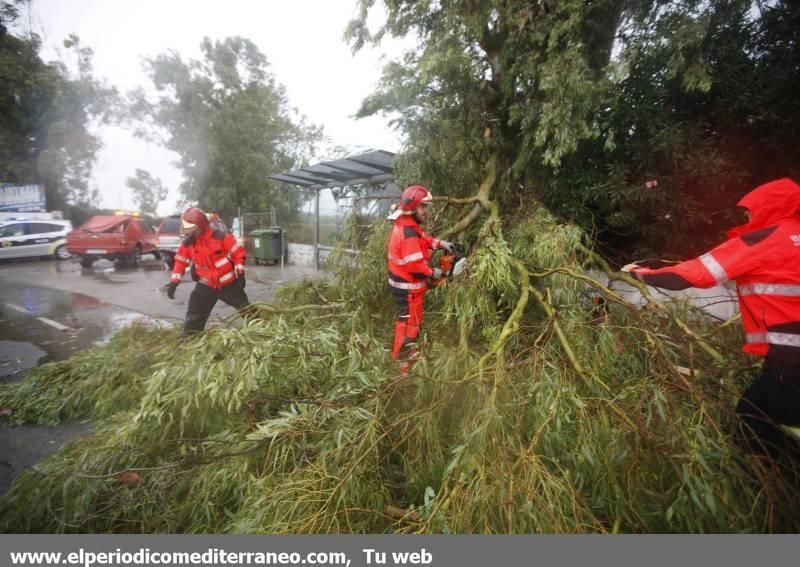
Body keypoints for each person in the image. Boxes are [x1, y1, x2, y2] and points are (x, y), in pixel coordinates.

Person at [622, 178, 800, 462]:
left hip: (790, 359)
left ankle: (779, 481)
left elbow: (696, 274)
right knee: (757, 415)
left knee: (757, 422)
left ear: (769, 207)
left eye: (751, 211)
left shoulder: (763, 240)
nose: (748, 217)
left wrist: (639, 273)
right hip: (786, 356)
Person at [387, 184, 456, 373]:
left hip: (405, 287)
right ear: (413, 207)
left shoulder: (407, 225)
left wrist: (440, 244)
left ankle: (410, 360)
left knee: (411, 324)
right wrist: (434, 273)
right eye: (423, 207)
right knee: (409, 327)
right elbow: (414, 265)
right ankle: (403, 371)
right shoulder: (407, 233)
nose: (426, 212)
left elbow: (423, 238)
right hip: (408, 290)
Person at [165, 207, 249, 335]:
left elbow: (238, 253)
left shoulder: (221, 237)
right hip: (205, 286)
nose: (191, 233)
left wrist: (240, 273)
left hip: (229, 285)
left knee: (248, 311)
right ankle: (190, 341)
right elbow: (180, 261)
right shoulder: (189, 243)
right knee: (193, 319)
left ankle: (264, 331)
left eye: (194, 229)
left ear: (202, 225)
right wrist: (174, 282)